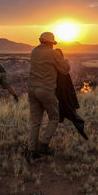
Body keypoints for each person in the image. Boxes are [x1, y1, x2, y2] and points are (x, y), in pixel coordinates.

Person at [26, 32, 70, 161]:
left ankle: (31, 150)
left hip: (32, 90)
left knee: (35, 121)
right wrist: (64, 60)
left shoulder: (34, 52)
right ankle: (44, 145)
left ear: (41, 41)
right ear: (50, 43)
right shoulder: (53, 53)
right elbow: (65, 70)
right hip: (46, 90)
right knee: (54, 117)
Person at [55, 49, 88, 140]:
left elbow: (65, 75)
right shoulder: (61, 63)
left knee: (67, 104)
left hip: (64, 87)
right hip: (59, 87)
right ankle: (61, 118)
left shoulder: (62, 64)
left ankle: (77, 122)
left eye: (58, 54)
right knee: (61, 103)